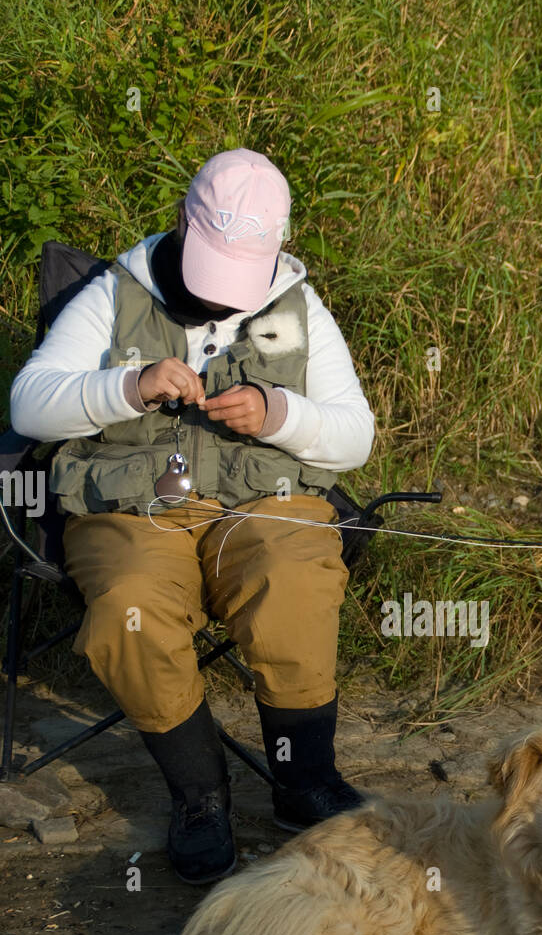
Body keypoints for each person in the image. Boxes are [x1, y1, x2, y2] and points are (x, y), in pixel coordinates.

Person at [10, 148, 374, 884]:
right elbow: (28, 402)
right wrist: (128, 385)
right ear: (182, 221)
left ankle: (304, 782)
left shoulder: (302, 307)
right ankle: (200, 796)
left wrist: (279, 412)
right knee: (128, 608)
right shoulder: (113, 293)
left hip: (267, 504)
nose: (221, 301)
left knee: (292, 579)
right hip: (133, 511)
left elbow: (354, 437)